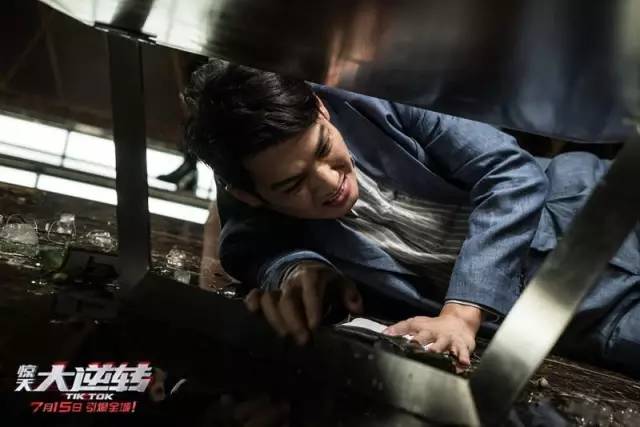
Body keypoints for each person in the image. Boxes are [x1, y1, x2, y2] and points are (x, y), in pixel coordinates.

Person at [185, 59, 640, 377]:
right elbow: (254, 252)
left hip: (605, 206)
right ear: (251, 195)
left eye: (324, 148)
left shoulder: (372, 93)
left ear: (320, 109)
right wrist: (303, 270)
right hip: (584, 318)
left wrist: (462, 312)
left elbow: (510, 173)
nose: (328, 182)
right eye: (293, 185)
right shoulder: (248, 213)